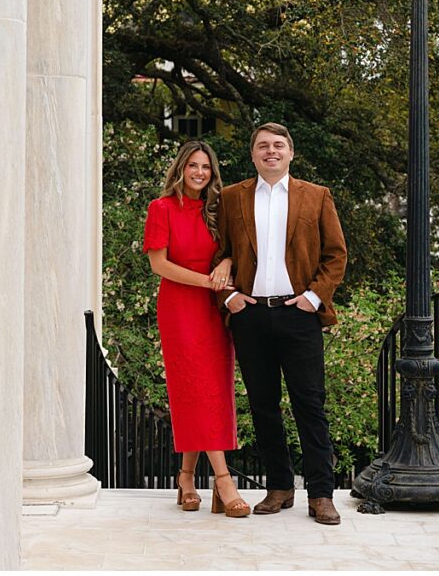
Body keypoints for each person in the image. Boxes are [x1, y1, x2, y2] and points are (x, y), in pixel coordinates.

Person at [213, 122, 348, 524]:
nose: (270, 151)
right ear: (252, 154)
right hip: (249, 314)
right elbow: (217, 253)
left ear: (290, 152)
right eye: (262, 146)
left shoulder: (317, 196)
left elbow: (336, 255)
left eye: (278, 145)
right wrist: (229, 296)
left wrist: (312, 297)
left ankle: (321, 493)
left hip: (298, 314)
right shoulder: (231, 197)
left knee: (310, 404)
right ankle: (279, 487)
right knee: (263, 406)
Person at [143, 140, 250, 517]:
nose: (200, 173)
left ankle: (186, 476)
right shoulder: (162, 208)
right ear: (180, 169)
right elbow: (160, 265)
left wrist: (227, 264)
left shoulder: (217, 209)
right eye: (193, 166)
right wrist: (207, 281)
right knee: (193, 387)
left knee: (212, 390)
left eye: (206, 167)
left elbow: (237, 247)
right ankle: (224, 481)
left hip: (214, 310)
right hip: (180, 308)